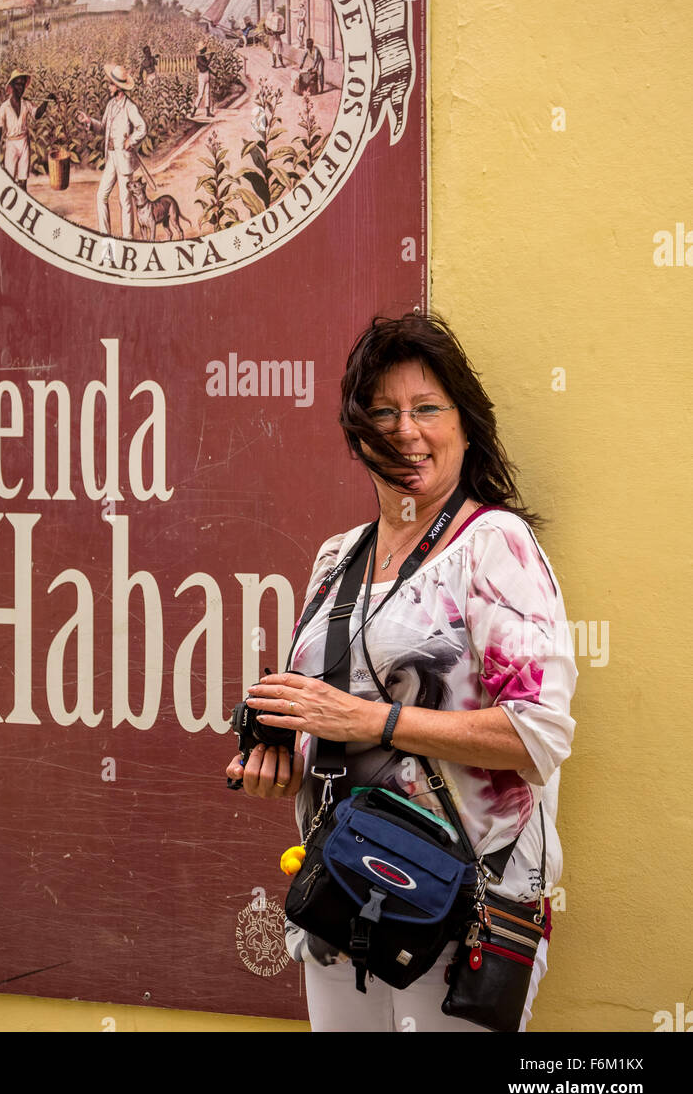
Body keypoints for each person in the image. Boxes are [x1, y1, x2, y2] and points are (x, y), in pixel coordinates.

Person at [225, 312, 577, 1032]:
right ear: (358, 436)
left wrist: (372, 720)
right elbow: (335, 727)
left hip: (461, 912)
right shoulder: (336, 558)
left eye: (426, 410)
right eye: (383, 413)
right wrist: (281, 757)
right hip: (343, 897)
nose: (406, 431)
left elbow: (537, 735)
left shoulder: (494, 545)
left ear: (465, 424)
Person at [78, 63, 147, 239]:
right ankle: (105, 235)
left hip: (124, 159)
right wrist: (89, 122)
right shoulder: (110, 105)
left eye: (110, 84)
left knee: (125, 201)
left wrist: (130, 141)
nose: (108, 86)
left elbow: (142, 128)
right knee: (101, 195)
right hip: (112, 158)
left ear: (118, 87)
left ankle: (128, 239)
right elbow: (102, 128)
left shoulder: (129, 107)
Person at [0, 70, 55, 191]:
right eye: (18, 84)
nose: (20, 88)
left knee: (23, 180)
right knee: (10, 179)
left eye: (22, 84)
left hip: (24, 143)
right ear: (12, 86)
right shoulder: (4, 107)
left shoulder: (26, 104)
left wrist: (47, 99)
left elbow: (37, 114)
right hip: (11, 144)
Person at [192, 41, 214, 117]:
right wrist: (211, 57)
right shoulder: (199, 58)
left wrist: (214, 73)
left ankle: (208, 112)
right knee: (200, 95)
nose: (206, 49)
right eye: (205, 48)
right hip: (202, 76)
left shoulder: (203, 57)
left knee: (207, 94)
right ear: (202, 50)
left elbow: (207, 68)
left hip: (206, 75)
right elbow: (205, 65)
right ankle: (193, 112)